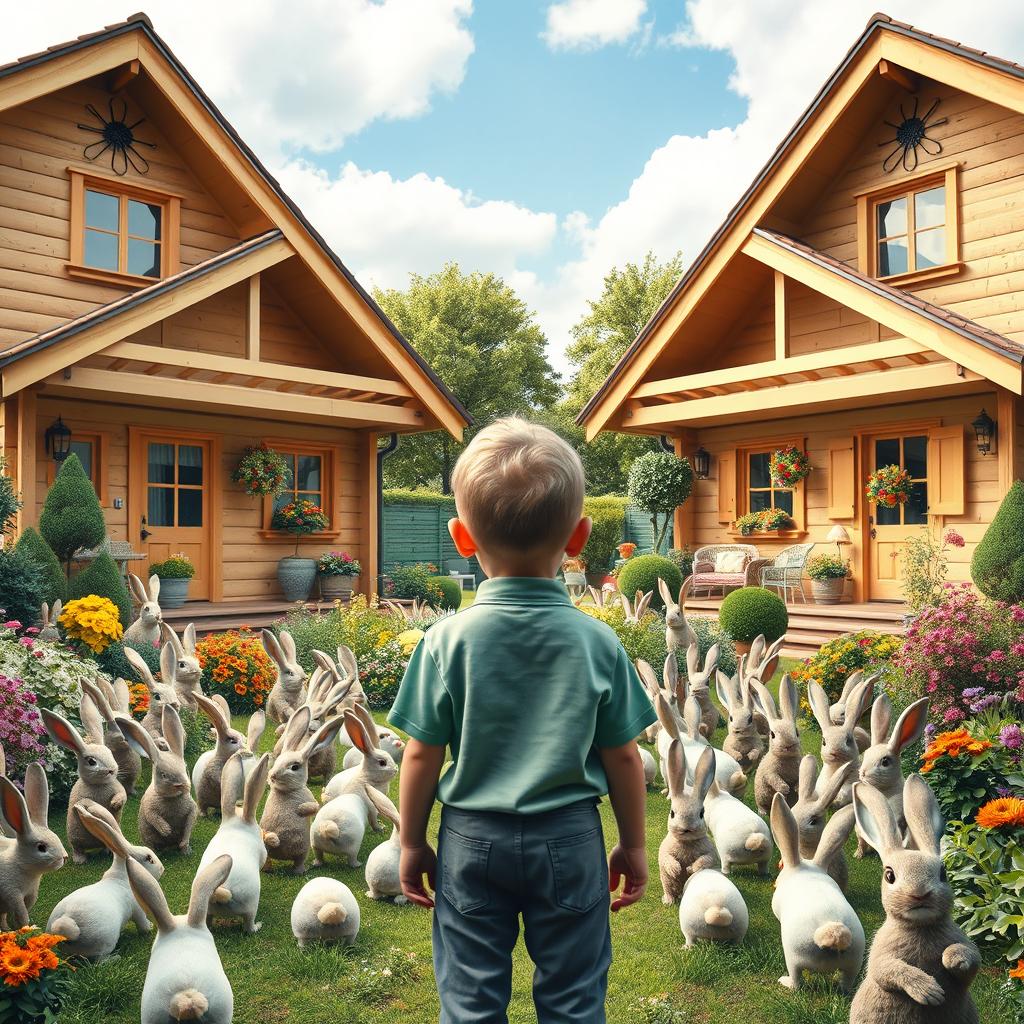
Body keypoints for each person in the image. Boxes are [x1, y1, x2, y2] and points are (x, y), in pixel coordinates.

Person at [389, 416, 657, 1024]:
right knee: (572, 999)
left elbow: (422, 754)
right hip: (569, 837)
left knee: (470, 1000)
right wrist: (635, 845)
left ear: (460, 537)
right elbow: (622, 756)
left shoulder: (445, 641)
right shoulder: (598, 643)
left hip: (470, 839)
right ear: (579, 537)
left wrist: (410, 841)